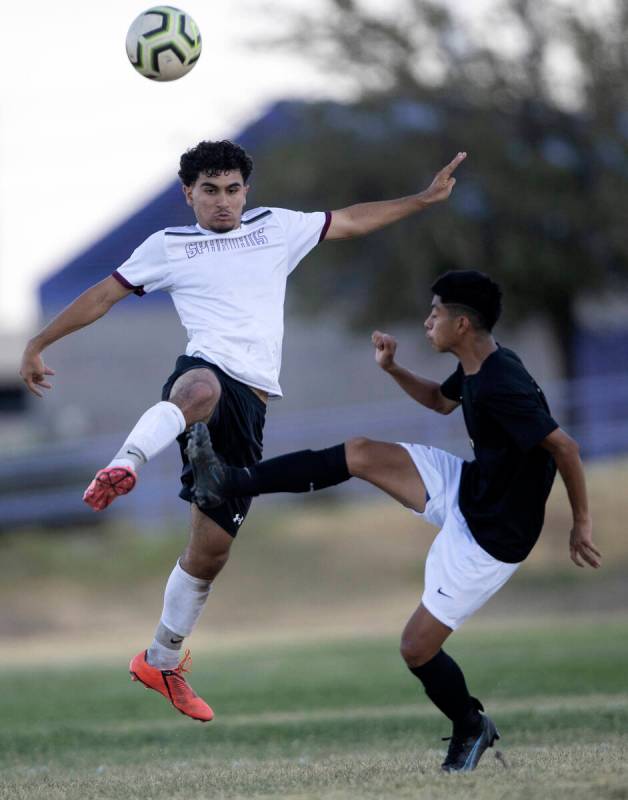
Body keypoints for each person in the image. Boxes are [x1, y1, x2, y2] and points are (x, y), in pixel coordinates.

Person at [19, 139, 467, 723]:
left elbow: (352, 220)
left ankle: (161, 659)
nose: (223, 202)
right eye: (210, 191)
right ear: (189, 195)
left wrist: (425, 199)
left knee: (210, 552)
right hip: (207, 376)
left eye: (232, 189)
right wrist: (37, 342)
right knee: (198, 388)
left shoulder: (275, 228)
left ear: (245, 190)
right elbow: (104, 295)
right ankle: (126, 463)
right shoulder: (169, 246)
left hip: (252, 409)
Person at [187, 269, 601, 771]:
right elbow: (440, 402)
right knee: (360, 452)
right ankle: (227, 481)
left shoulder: (502, 381)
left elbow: (565, 446)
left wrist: (581, 524)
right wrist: (392, 368)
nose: (428, 320)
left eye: (436, 312)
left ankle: (471, 725)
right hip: (469, 487)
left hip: (494, 536)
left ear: (463, 323)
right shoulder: (480, 366)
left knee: (416, 648)